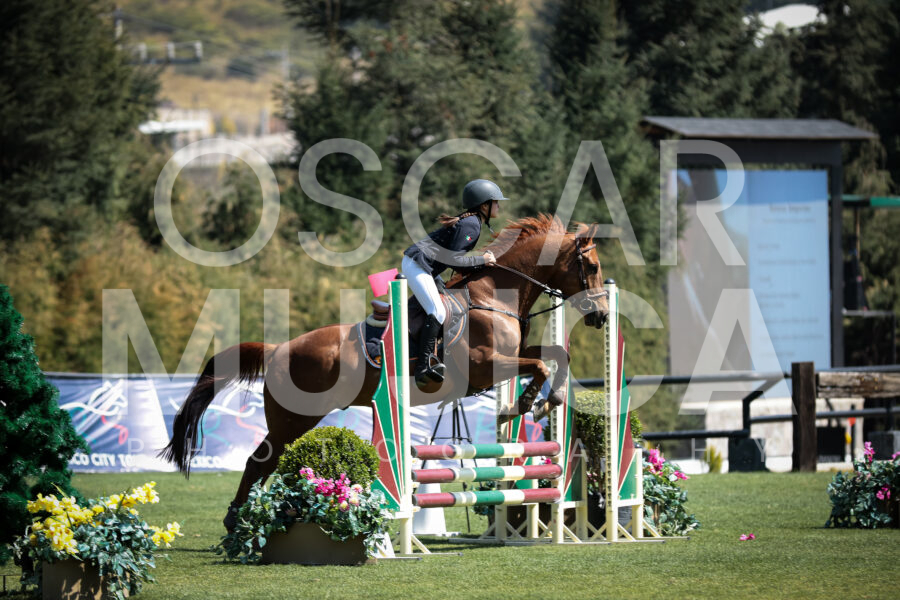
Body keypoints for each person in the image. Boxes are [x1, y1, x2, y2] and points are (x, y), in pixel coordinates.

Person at [402, 179, 507, 388]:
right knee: (438, 311)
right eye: (496, 202)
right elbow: (454, 260)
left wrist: (481, 261)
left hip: (426, 267)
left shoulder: (473, 221)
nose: (499, 206)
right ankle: (423, 367)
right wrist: (482, 260)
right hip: (417, 265)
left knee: (449, 305)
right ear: (484, 205)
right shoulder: (471, 224)